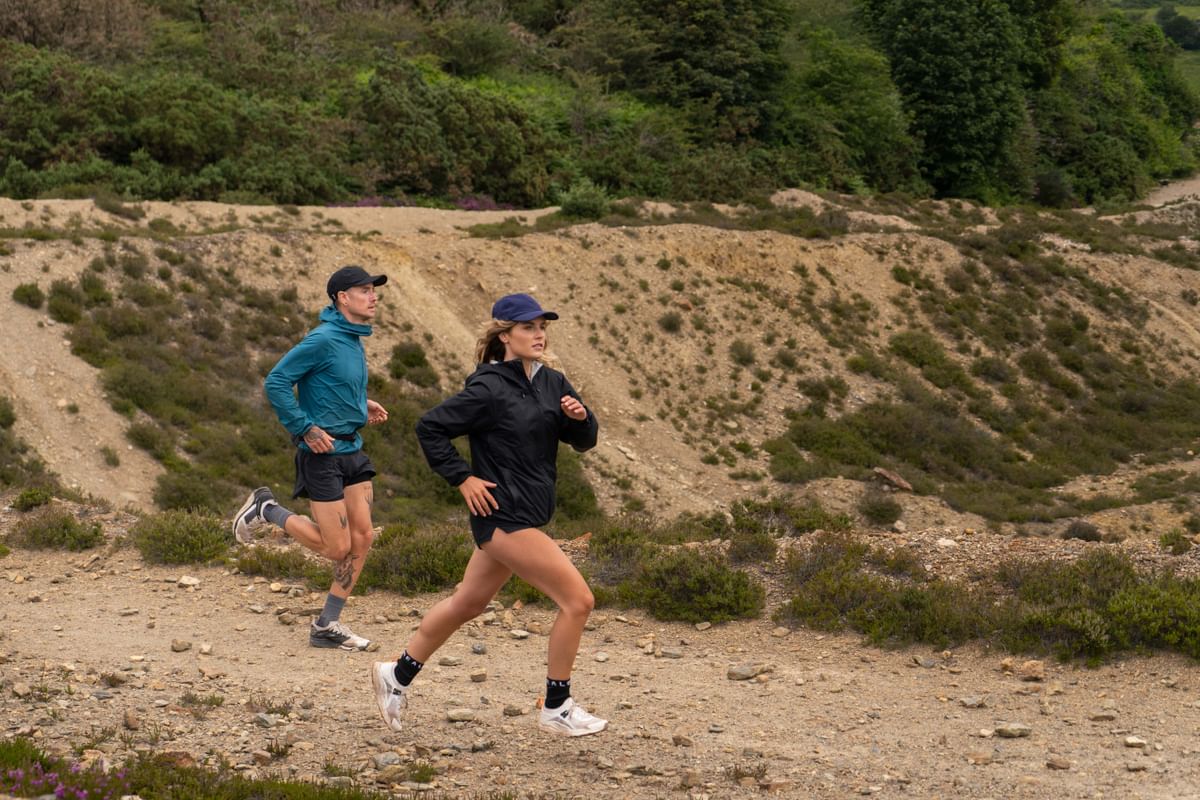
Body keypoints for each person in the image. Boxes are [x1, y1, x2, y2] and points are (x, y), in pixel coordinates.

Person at [370, 293, 606, 737]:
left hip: (527, 512)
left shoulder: (553, 382)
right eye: (528, 328)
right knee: (579, 601)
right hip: (502, 514)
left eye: (542, 327)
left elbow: (584, 440)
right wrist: (463, 478)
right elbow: (431, 426)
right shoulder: (489, 387)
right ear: (505, 336)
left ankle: (394, 676)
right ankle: (557, 706)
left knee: (469, 602)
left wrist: (580, 418)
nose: (538, 335)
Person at [232, 265, 390, 652]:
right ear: (342, 298)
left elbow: (331, 382)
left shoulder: (352, 338)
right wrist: (303, 427)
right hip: (322, 456)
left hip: (352, 449)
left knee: (364, 537)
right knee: (337, 548)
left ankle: (326, 625)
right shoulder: (323, 338)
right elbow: (277, 381)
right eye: (365, 290)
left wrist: (358, 404)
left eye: (374, 290)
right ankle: (267, 509)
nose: (373, 297)